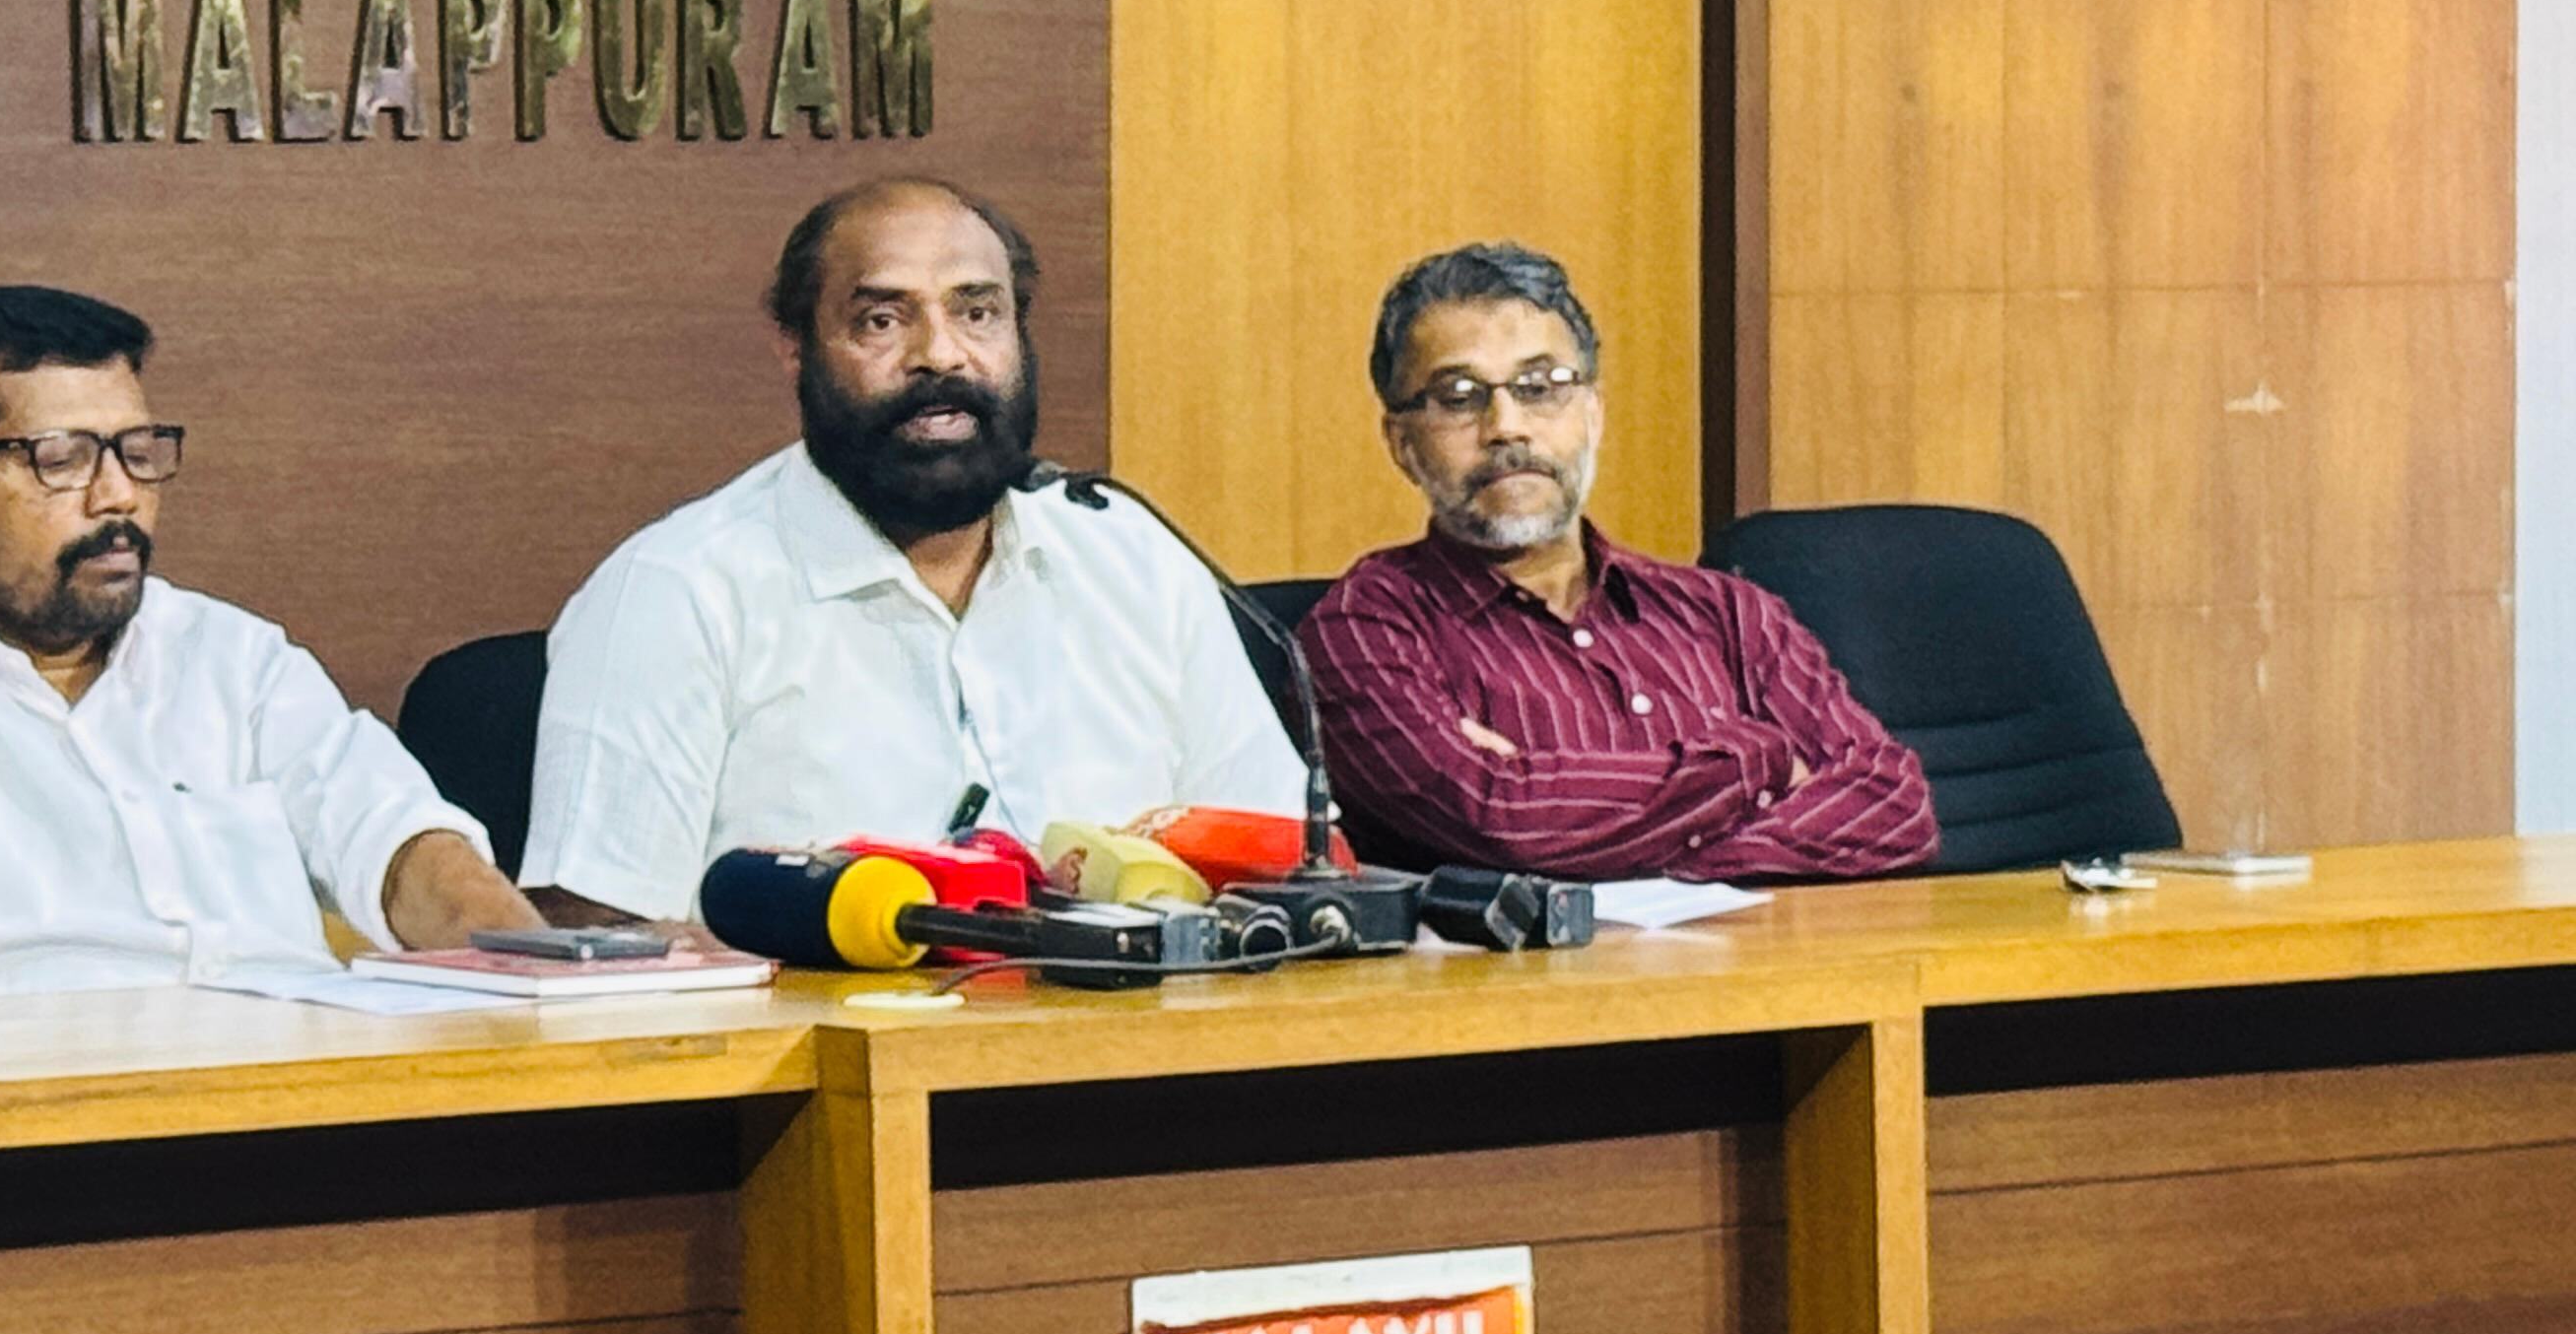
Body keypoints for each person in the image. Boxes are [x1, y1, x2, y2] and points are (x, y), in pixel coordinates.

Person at [0, 286, 540, 1002]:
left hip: (294, 1099)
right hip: (21, 1121)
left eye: (137, 453)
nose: (119, 497)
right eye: (61, 460)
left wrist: (541, 975)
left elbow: (404, 847)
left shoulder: (236, 662)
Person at [518, 178, 1310, 924]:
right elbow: (602, 944)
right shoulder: (675, 591)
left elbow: (1283, 870)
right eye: (882, 322)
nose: (941, 355)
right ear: (795, 348)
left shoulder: (1134, 558)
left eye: (978, 313)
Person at [1299, 241, 1937, 881]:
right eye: (1459, 397)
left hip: (1767, 948)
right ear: (1402, 443)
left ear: (1593, 414)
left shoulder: (1730, 614)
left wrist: (1667, 857)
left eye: (1541, 387)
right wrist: (1759, 760)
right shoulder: (1363, 630)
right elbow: (1504, 824)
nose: (1507, 426)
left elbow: (1896, 808)